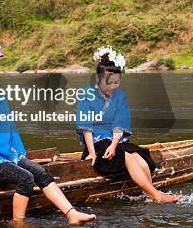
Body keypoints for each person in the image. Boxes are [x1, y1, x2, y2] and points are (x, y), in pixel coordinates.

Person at [0, 39, 96, 225]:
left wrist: (21, 154)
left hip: (8, 154)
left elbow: (10, 128)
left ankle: (71, 213)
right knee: (26, 178)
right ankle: (17, 223)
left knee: (41, 172)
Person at [76, 46, 181, 203]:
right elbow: (86, 128)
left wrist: (114, 145)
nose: (113, 87)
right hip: (97, 145)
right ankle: (157, 196)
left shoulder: (119, 97)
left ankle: (150, 194)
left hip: (115, 142)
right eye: (109, 83)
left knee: (141, 160)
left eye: (116, 83)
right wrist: (91, 152)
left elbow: (119, 125)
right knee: (129, 159)